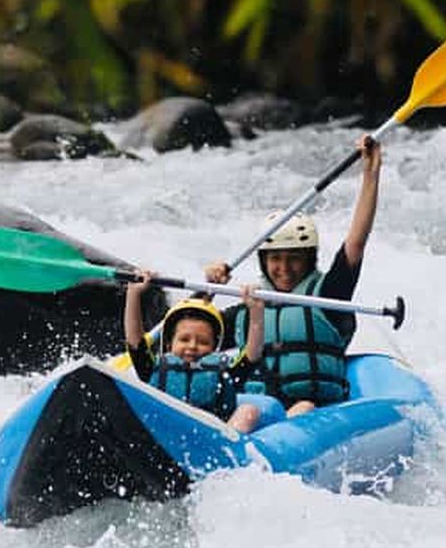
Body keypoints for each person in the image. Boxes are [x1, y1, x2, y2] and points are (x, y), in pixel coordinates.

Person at [204, 135, 382, 417]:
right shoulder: (249, 309)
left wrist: (371, 174)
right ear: (264, 261)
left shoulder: (329, 297)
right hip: (256, 410)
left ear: (309, 260)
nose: (284, 268)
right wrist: (208, 289)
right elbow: (188, 334)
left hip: (312, 411)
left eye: (294, 259)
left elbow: (356, 243)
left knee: (303, 407)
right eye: (276, 259)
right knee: (246, 413)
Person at [123, 272, 265, 433]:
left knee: (248, 410)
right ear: (170, 344)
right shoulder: (152, 369)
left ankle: (223, 449)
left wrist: (256, 311)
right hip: (163, 437)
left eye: (203, 342)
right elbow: (135, 342)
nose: (192, 346)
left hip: (212, 440)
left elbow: (252, 355)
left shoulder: (225, 374)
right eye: (184, 339)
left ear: (214, 347)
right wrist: (133, 294)